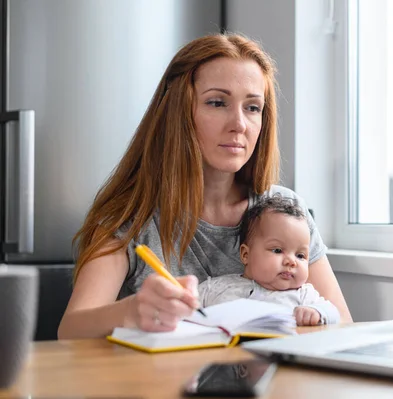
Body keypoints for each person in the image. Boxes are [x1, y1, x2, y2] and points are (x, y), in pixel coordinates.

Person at [57, 33, 352, 339]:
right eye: (217, 102)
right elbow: (70, 331)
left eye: (252, 108)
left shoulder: (286, 210)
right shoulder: (129, 217)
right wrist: (131, 311)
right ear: (178, 113)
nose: (239, 123)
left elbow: (343, 324)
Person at [197, 195, 340, 326]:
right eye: (277, 250)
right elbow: (187, 307)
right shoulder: (216, 288)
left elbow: (334, 313)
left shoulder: (304, 295)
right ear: (246, 254)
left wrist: (316, 312)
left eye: (300, 256)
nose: (291, 262)